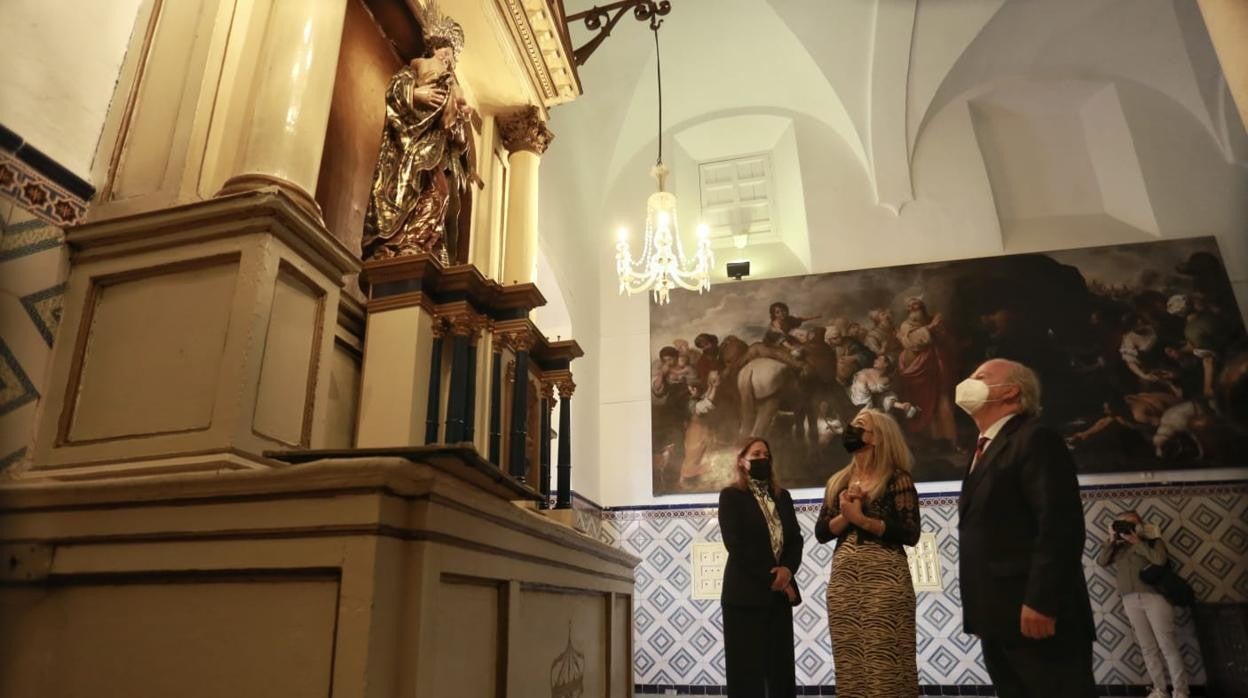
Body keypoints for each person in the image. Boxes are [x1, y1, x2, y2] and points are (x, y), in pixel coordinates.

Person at [956, 358, 1096, 697]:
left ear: (1011, 391)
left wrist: (1042, 602)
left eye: (981, 376)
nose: (967, 381)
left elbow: (1059, 526)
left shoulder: (1035, 438)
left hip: (1035, 615)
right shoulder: (985, 448)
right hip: (998, 617)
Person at [815, 408, 921, 697]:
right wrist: (847, 515)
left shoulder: (897, 479)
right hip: (845, 586)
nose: (851, 429)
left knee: (886, 665)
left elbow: (910, 533)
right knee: (851, 666)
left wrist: (862, 519)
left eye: (860, 425)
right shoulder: (838, 480)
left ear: (877, 437)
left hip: (885, 585)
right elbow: (822, 533)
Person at [362, 17, 483, 264]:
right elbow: (395, 91)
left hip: (437, 152)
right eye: (444, 51)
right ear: (433, 50)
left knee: (441, 193)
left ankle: (416, 242)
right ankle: (398, 243)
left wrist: (460, 125)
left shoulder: (452, 90)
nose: (447, 57)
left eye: (451, 55)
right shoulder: (413, 71)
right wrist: (418, 94)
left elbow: (459, 145)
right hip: (411, 147)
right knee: (412, 189)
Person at [718, 438, 803, 697]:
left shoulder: (782, 496)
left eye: (766, 453)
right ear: (742, 461)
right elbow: (736, 544)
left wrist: (787, 570)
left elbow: (795, 539)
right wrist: (776, 578)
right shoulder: (731, 496)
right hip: (744, 596)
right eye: (756, 453)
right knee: (747, 674)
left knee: (780, 671)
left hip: (778, 597)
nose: (762, 458)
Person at [1097, 510, 1189, 698]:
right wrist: (1112, 539)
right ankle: (1160, 690)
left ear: (1140, 525)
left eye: (1132, 523)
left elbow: (1160, 560)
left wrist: (1137, 542)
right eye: (1122, 524)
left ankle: (1180, 691)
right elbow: (1101, 561)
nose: (1128, 527)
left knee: (1167, 645)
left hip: (1155, 597)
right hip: (1129, 599)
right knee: (1147, 648)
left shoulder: (1153, 541)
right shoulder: (1118, 548)